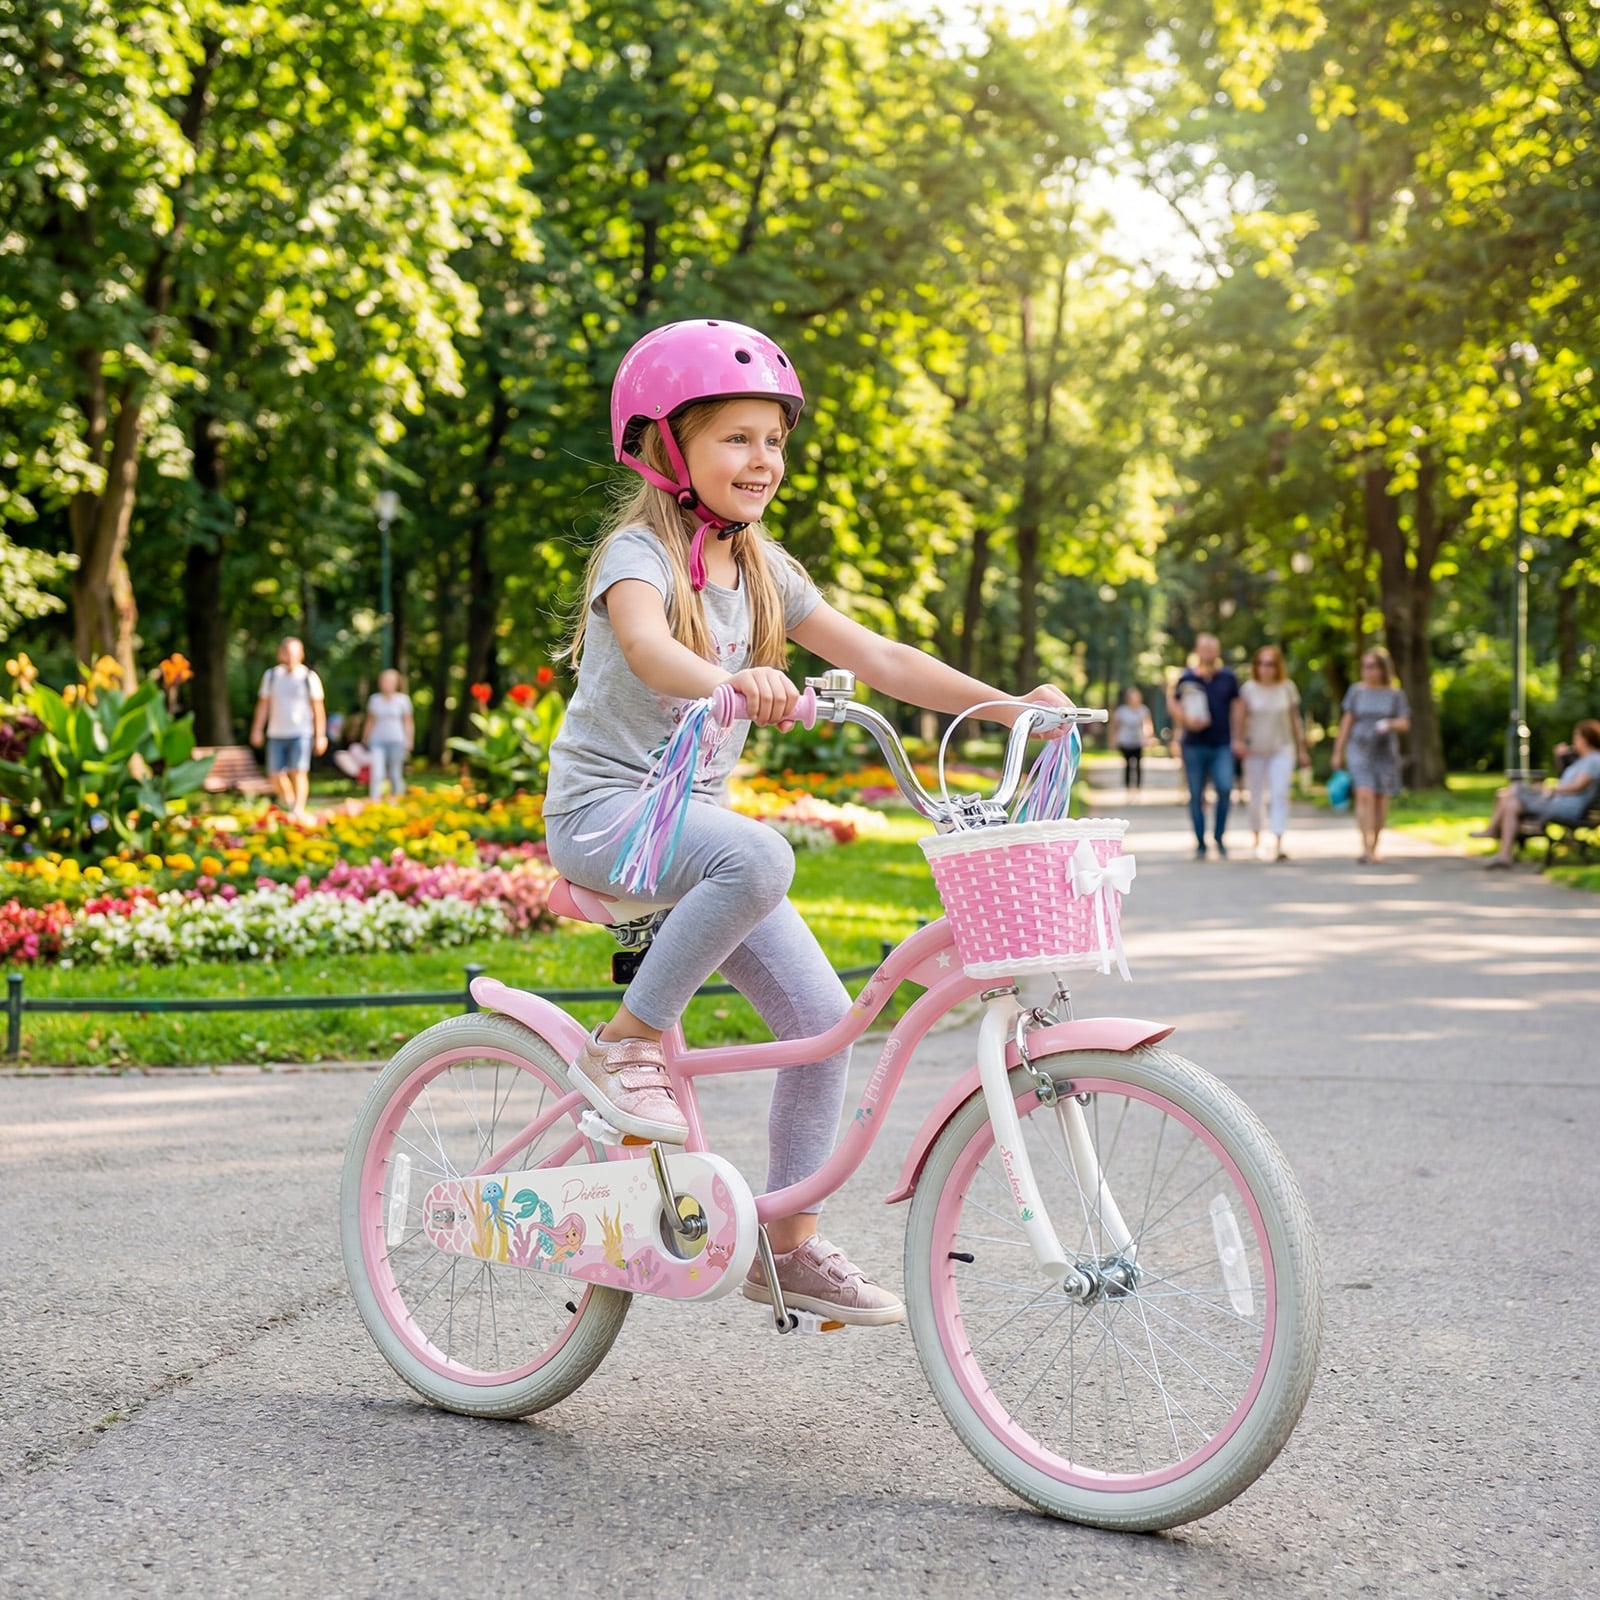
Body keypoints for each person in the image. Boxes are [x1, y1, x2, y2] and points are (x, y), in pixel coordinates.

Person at [542, 318, 1070, 1327]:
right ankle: (626, 1046)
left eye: (774, 440)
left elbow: (885, 659)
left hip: (690, 832)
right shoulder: (636, 554)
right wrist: (729, 681)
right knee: (760, 855)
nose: (763, 459)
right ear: (665, 447)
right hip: (606, 816)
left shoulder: (764, 570)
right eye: (736, 437)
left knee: (823, 1027)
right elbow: (648, 647)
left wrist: (1009, 708)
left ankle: (784, 1249)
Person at [1475, 719, 1600, 868]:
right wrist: (1560, 757)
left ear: (1586, 739)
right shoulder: (1583, 760)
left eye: (1577, 736)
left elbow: (1577, 787)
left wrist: (1550, 790)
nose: (1574, 740)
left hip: (1566, 807)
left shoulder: (1593, 760)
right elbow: (1566, 780)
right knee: (1511, 803)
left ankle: (1494, 832)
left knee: (1514, 788)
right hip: (1558, 802)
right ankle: (1504, 855)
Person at [1330, 646, 1411, 864]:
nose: (1368, 671)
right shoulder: (1356, 691)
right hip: (1359, 748)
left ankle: (1375, 844)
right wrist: (1338, 752)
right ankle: (1365, 846)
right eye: (1364, 666)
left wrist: (1390, 724)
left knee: (1380, 798)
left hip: (1384, 750)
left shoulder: (1395, 694)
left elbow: (1405, 723)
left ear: (1383, 668)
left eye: (1372, 666)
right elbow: (1346, 722)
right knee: (1364, 793)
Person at [1167, 633, 1242, 858]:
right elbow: (1174, 704)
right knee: (1196, 794)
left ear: (1217, 651)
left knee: (1225, 788)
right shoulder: (1187, 677)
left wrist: (1238, 737)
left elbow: (1238, 708)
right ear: (1197, 650)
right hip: (1193, 744)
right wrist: (1185, 721)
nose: (1208, 651)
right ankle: (1200, 842)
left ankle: (1219, 836)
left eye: (1212, 647)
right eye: (1204, 647)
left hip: (1222, 743)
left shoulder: (1228, 677)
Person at [1237, 645, 1310, 860]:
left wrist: (1302, 749)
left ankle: (1278, 842)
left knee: (1279, 793)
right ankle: (1257, 840)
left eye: (1269, 664)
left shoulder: (1287, 688)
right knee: (1256, 797)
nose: (1265, 668)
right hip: (1255, 750)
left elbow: (1295, 720)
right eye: (1260, 663)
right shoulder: (1248, 689)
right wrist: (1238, 741)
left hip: (1282, 748)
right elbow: (1240, 718)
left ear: (1277, 666)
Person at [248, 636, 326, 824]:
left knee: (298, 771)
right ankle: (291, 803)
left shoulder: (309, 677)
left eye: (294, 653)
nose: (290, 657)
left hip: (301, 732)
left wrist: (320, 735)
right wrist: (257, 729)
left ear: (301, 654)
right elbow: (263, 705)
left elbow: (318, 708)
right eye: (286, 653)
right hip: (276, 733)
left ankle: (298, 810)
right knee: (275, 774)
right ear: (280, 654)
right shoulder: (271, 676)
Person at [362, 669, 414, 801]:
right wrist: (365, 737)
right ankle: (375, 800)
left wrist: (409, 740)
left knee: (395, 773)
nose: (387, 684)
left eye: (390, 681)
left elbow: (408, 722)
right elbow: (370, 721)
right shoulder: (374, 699)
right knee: (377, 772)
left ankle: (397, 799)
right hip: (377, 740)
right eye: (385, 681)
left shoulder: (403, 700)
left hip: (397, 741)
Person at [1111, 687, 1155, 790]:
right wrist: (1114, 739)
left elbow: (1147, 725)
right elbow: (1115, 726)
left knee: (1138, 764)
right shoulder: (1121, 711)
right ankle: (1127, 786)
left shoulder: (1143, 710)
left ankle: (1138, 786)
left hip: (1138, 741)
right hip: (1125, 741)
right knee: (1127, 764)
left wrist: (1148, 736)